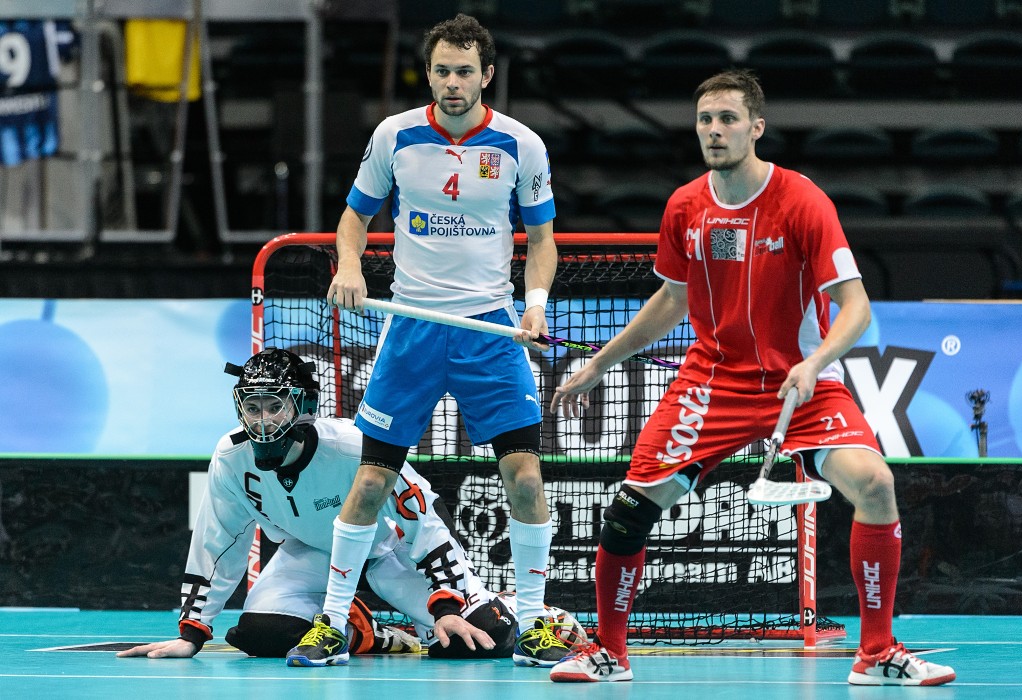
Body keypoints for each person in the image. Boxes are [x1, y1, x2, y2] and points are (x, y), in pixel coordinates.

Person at [546, 69, 956, 687]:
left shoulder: (802, 201)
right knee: (630, 509)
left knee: (875, 484)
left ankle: (877, 654)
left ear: (756, 127)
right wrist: (601, 362)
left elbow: (855, 306)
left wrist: (814, 363)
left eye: (728, 119)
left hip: (802, 383)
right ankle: (609, 651)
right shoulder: (685, 206)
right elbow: (673, 300)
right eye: (705, 120)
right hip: (713, 383)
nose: (714, 130)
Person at [301, 13, 566, 668]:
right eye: (442, 71)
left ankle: (534, 623)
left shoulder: (520, 145)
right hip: (412, 328)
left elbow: (542, 241)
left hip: (490, 331)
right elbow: (354, 218)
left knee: (524, 476)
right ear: (429, 73)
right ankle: (330, 623)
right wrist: (349, 265)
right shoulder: (394, 136)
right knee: (370, 481)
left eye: (464, 72)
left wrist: (534, 306)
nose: (453, 83)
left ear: (487, 75)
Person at [117, 348, 549, 664]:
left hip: (390, 553)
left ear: (303, 406)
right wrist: (192, 633)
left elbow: (425, 521)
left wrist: (446, 606)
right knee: (261, 633)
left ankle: (521, 608)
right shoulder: (231, 457)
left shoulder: (352, 447)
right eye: (252, 407)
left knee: (482, 637)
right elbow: (218, 542)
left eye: (275, 406)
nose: (262, 420)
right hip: (311, 554)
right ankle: (369, 632)